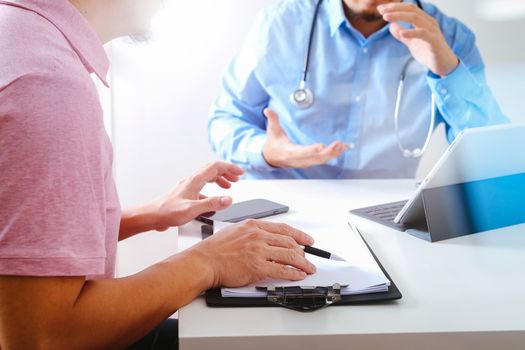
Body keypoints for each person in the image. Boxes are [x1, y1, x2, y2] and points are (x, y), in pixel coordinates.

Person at [0, 1, 317, 349]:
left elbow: (22, 245)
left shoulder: (20, 37)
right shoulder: (47, 84)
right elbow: (43, 337)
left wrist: (147, 215)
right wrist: (207, 262)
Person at [208, 0, 509, 179]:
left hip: (386, 213)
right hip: (291, 203)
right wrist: (267, 152)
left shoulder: (450, 38)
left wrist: (449, 70)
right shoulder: (282, 21)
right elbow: (225, 120)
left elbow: (494, 156)